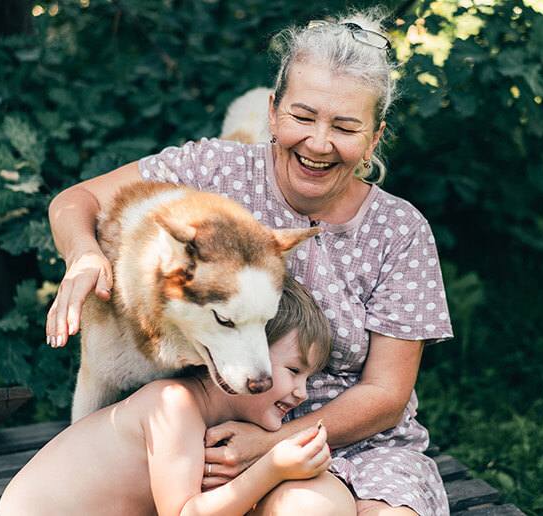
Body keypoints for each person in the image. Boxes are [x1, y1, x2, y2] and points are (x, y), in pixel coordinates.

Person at [43, 8, 454, 516]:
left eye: (345, 127)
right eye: (303, 117)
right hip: (230, 439)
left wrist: (270, 447)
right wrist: (83, 254)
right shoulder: (212, 169)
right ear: (274, 114)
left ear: (373, 139)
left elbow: (387, 394)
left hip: (364, 444)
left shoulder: (401, 230)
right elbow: (74, 200)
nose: (319, 143)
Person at [0, 276, 342, 516]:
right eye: (294, 371)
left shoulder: (205, 420)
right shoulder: (173, 405)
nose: (302, 392)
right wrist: (272, 468)